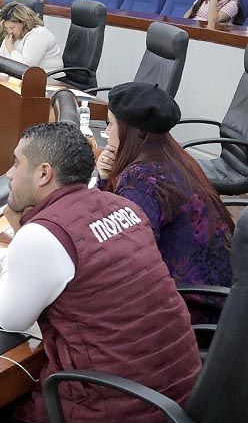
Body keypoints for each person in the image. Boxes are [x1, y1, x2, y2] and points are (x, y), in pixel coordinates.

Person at [0, 122, 200, 423]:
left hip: (121, 416)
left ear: (43, 173)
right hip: (181, 398)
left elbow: (9, 318)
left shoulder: (43, 234)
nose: (9, 173)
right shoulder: (123, 207)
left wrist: (20, 234)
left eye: (17, 163)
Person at [96, 82, 232, 322]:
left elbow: (120, 255)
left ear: (133, 131)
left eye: (111, 124)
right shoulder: (173, 156)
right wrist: (106, 178)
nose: (107, 132)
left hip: (191, 310)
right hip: (221, 301)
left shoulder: (141, 182)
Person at [0, 2, 63, 72]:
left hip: (48, 77)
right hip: (24, 77)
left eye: (12, 27)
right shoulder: (12, 35)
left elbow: (26, 68)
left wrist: (11, 49)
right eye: (6, 28)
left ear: (23, 22)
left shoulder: (38, 35)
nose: (10, 32)